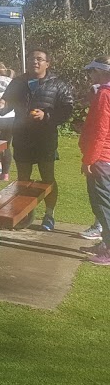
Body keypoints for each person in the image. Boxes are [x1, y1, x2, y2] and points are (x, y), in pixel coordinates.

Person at [0, 48, 75, 231]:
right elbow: (5, 106)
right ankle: (23, 214)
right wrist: (2, 104)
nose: (35, 62)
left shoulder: (58, 84)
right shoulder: (18, 82)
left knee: (47, 178)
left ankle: (49, 215)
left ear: (47, 63)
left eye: (40, 59)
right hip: (22, 138)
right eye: (32, 59)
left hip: (45, 139)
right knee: (23, 179)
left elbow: (67, 110)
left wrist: (47, 115)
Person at [78, 57, 110, 264]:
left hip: (102, 158)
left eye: (92, 72)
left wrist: (89, 159)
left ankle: (108, 251)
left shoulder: (105, 95)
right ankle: (105, 244)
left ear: (100, 72)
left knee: (103, 205)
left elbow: (100, 129)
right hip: (106, 157)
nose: (90, 76)